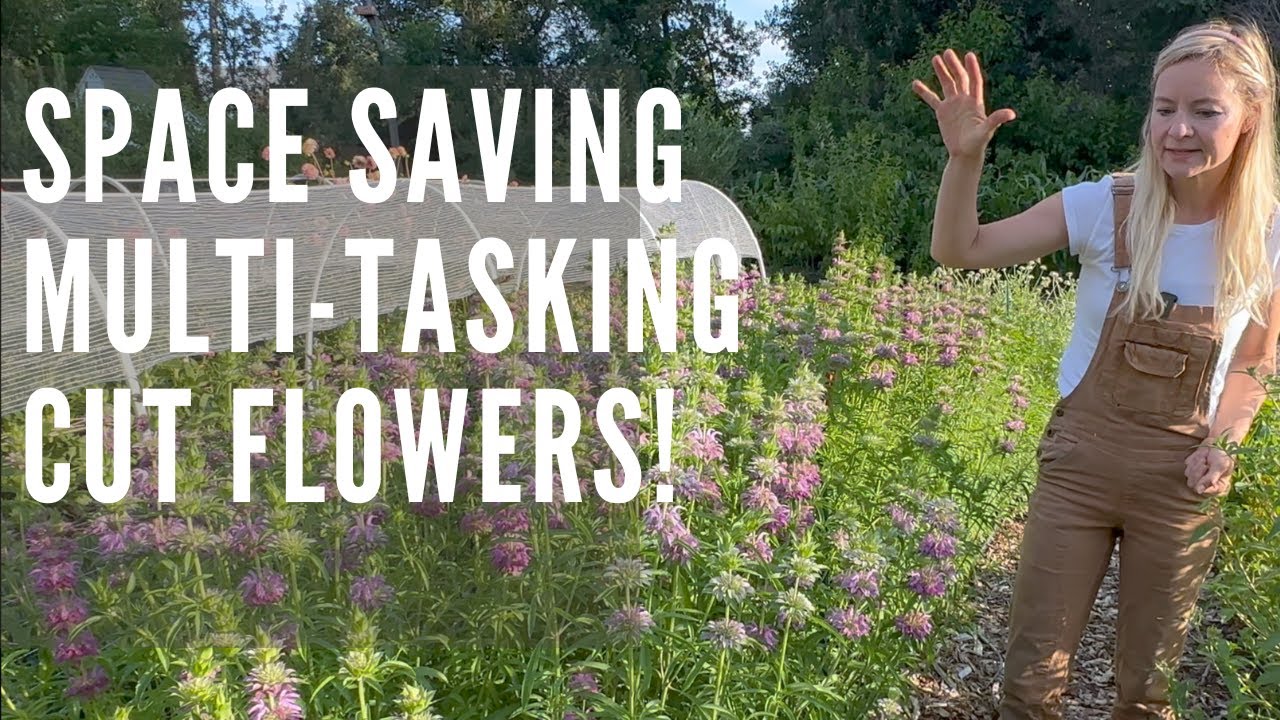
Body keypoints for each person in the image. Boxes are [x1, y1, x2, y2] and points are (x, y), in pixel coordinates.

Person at [910, 18, 1280, 720]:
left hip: (1181, 485)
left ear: (1251, 119)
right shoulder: (1102, 207)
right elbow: (959, 251)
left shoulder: (1269, 235)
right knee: (1030, 678)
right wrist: (964, 160)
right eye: (1165, 108)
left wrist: (1223, 446)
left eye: (1205, 111)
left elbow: (1256, 361)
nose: (1177, 128)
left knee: (1148, 688)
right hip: (1078, 472)